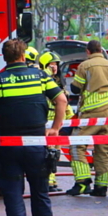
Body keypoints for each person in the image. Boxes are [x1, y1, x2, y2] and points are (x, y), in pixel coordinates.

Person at [0, 39, 67, 216]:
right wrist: (55, 128)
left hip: (9, 144)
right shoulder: (40, 76)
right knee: (40, 193)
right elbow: (62, 100)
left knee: (13, 195)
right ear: (23, 56)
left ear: (5, 57)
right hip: (37, 142)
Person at [67, 40, 108, 197]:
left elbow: (76, 88)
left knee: (76, 145)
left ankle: (82, 181)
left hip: (90, 114)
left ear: (88, 51)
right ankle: (101, 187)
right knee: (103, 151)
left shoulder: (85, 66)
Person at [38, 50, 74, 192]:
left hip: (57, 123)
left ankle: (52, 182)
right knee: (47, 153)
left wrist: (70, 116)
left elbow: (63, 101)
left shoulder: (58, 83)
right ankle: (46, 181)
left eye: (56, 65)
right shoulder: (42, 80)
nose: (54, 68)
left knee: (55, 153)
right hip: (47, 122)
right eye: (51, 65)